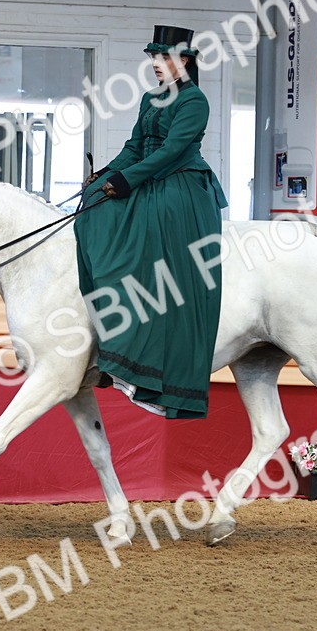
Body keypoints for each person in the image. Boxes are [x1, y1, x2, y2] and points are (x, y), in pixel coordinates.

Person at [74, 25, 228, 419]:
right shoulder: (149, 98)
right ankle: (111, 333)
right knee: (92, 204)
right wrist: (107, 173)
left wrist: (125, 181)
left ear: (184, 61)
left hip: (181, 185)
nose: (156, 65)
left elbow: (173, 151)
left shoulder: (195, 100)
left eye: (163, 59)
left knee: (147, 222)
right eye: (154, 59)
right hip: (147, 176)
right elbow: (135, 146)